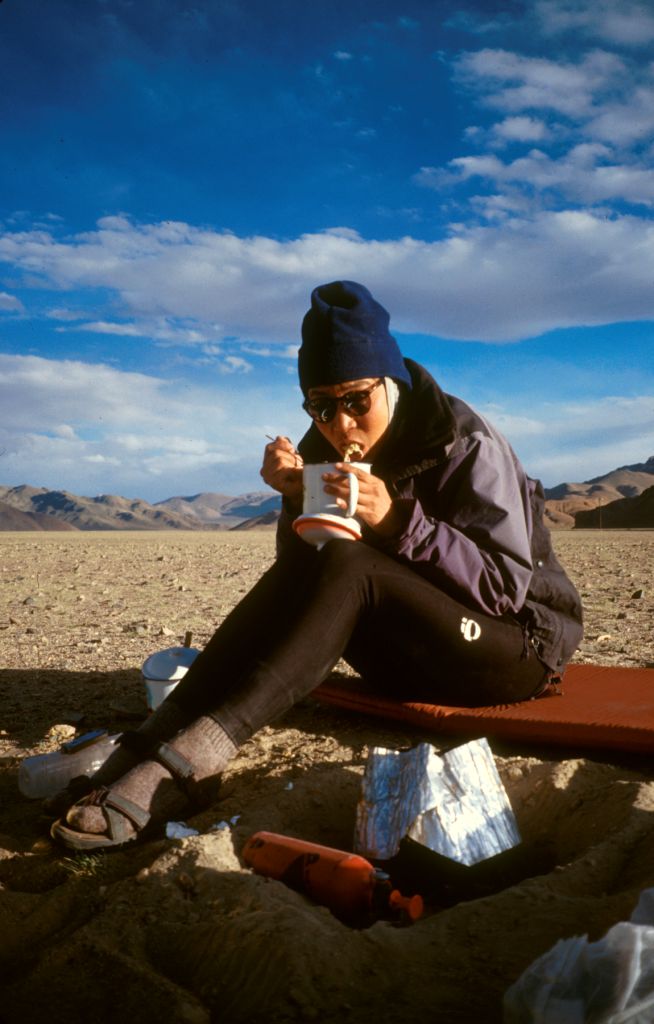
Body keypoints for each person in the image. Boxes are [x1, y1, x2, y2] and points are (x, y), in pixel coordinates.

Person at [50, 280, 583, 850]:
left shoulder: (463, 440)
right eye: (322, 407)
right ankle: (151, 738)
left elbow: (504, 587)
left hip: (515, 650)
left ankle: (190, 764)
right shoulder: (324, 445)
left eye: (357, 400)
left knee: (355, 562)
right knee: (329, 566)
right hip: (407, 658)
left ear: (391, 384)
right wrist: (293, 499)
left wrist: (402, 523)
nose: (342, 426)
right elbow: (304, 581)